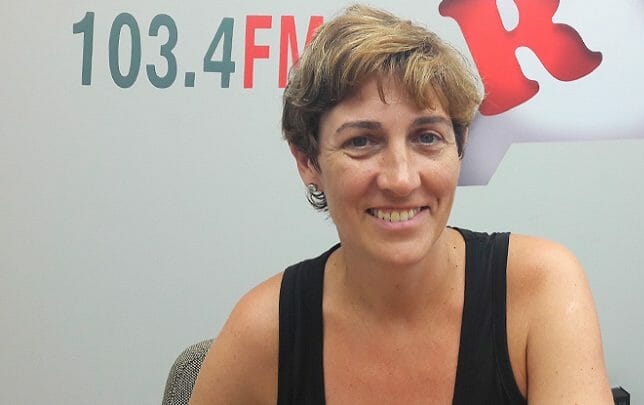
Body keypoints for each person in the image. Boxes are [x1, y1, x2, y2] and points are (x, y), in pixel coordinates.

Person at [190, 4, 612, 404]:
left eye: (427, 137)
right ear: (308, 160)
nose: (401, 179)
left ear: (460, 146)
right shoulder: (265, 331)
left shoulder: (539, 289)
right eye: (361, 141)